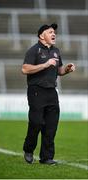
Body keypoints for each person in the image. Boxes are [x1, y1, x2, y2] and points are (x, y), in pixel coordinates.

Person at [22, 23, 75, 165]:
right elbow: (25, 69)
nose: (54, 34)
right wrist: (45, 64)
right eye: (50, 32)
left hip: (52, 92)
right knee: (36, 122)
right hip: (36, 91)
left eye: (54, 32)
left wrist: (67, 69)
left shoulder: (56, 51)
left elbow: (59, 71)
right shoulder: (34, 50)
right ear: (41, 36)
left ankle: (46, 157)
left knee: (51, 126)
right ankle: (28, 149)